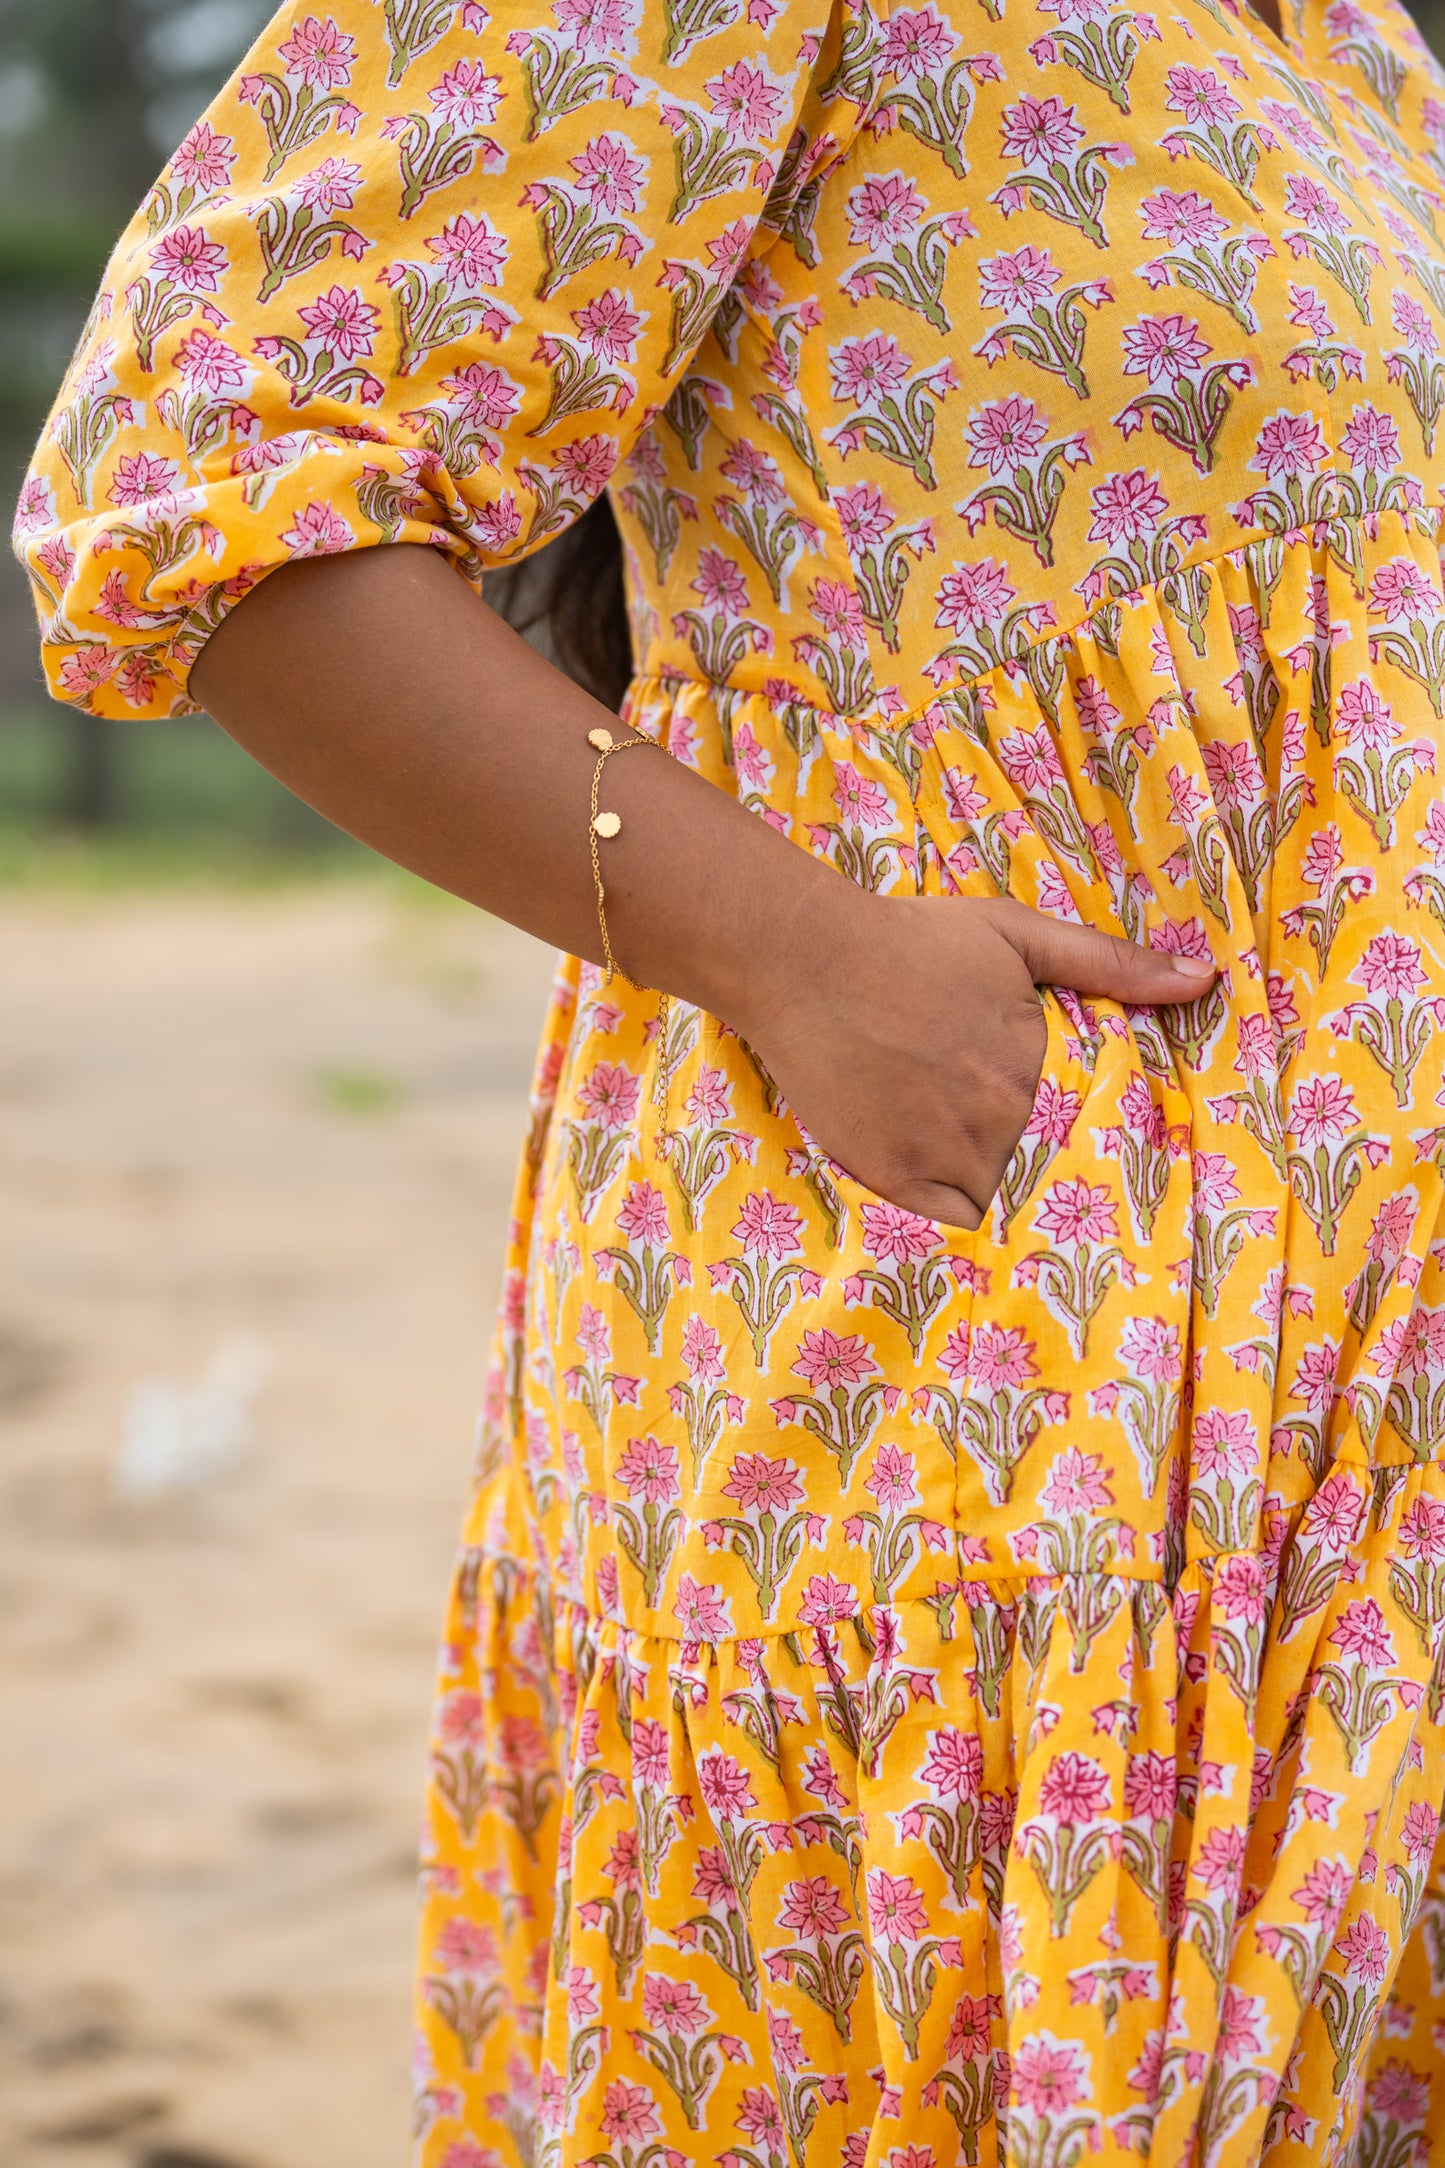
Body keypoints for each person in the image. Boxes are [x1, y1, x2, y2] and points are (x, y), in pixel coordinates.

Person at [15, 0, 1445, 2153]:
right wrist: (806, 957)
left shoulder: (1347, 41)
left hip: (1353, 1449)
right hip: (1003, 1400)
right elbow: (186, 493)